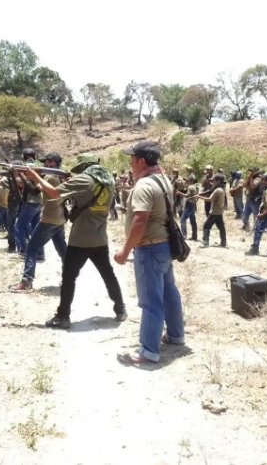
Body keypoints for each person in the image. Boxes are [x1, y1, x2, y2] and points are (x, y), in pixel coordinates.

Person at [24, 153, 126, 329]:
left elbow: (54, 193)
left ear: (84, 166)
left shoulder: (84, 180)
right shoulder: (108, 179)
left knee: (69, 277)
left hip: (80, 239)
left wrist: (34, 176)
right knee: (108, 274)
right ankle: (120, 308)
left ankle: (63, 316)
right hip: (100, 238)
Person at [114, 141, 184, 365]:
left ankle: (148, 350)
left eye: (132, 158)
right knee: (169, 294)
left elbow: (140, 220)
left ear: (141, 161)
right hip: (163, 246)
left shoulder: (144, 185)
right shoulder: (162, 179)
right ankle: (175, 335)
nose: (130, 162)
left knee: (150, 301)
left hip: (149, 248)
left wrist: (125, 250)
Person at [10, 153, 68, 293]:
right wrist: (25, 175)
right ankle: (69, 278)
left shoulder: (50, 177)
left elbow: (34, 190)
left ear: (52, 163)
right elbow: (35, 189)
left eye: (46, 162)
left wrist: (30, 176)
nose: (43, 164)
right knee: (63, 251)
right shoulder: (59, 176)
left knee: (31, 248)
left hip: (50, 218)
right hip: (59, 217)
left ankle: (26, 281)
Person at [14, 149, 43, 256]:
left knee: (19, 226)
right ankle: (40, 253)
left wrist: (16, 176)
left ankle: (26, 252)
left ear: (23, 157)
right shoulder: (38, 167)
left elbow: (22, 184)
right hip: (38, 202)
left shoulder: (26, 167)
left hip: (31, 202)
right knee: (35, 228)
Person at [246, 173, 267, 257]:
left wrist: (262, 214)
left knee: (258, 230)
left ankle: (255, 249)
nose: (261, 181)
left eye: (263, 180)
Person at [196, 173, 227, 248]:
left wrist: (199, 196)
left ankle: (205, 243)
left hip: (215, 212)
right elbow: (209, 192)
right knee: (221, 227)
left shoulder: (217, 190)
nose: (212, 182)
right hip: (219, 211)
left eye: (214, 181)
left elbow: (209, 199)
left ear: (218, 181)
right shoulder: (221, 189)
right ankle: (223, 243)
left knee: (206, 226)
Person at [177, 174, 199, 241]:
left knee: (182, 220)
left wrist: (179, 193)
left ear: (191, 181)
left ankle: (184, 236)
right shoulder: (195, 186)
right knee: (193, 221)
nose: (186, 181)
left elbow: (187, 195)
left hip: (189, 204)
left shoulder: (190, 187)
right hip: (193, 204)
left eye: (188, 180)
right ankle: (194, 236)